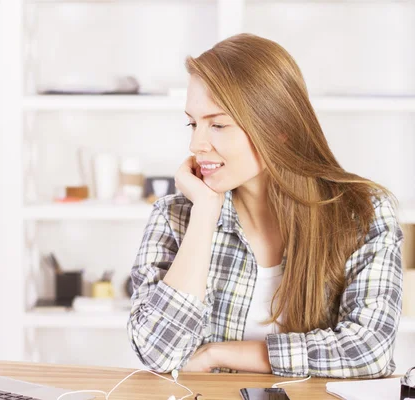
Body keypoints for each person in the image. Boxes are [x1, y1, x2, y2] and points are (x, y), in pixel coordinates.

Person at [127, 33, 404, 378]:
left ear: (278, 129)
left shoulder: (361, 214)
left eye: (218, 124)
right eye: (193, 123)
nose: (196, 143)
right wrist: (204, 215)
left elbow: (369, 350)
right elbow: (159, 353)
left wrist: (217, 354)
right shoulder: (177, 216)